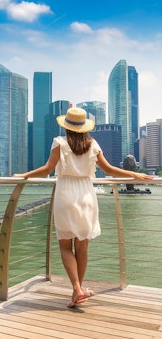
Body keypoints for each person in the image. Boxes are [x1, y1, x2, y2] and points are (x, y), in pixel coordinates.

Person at [13, 107, 154, 308]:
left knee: (65, 246)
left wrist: (24, 175)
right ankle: (77, 291)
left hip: (65, 194)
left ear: (67, 126)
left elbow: (47, 169)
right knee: (82, 246)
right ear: (84, 127)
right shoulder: (93, 144)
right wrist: (135, 174)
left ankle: (77, 289)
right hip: (87, 195)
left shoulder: (59, 142)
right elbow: (109, 169)